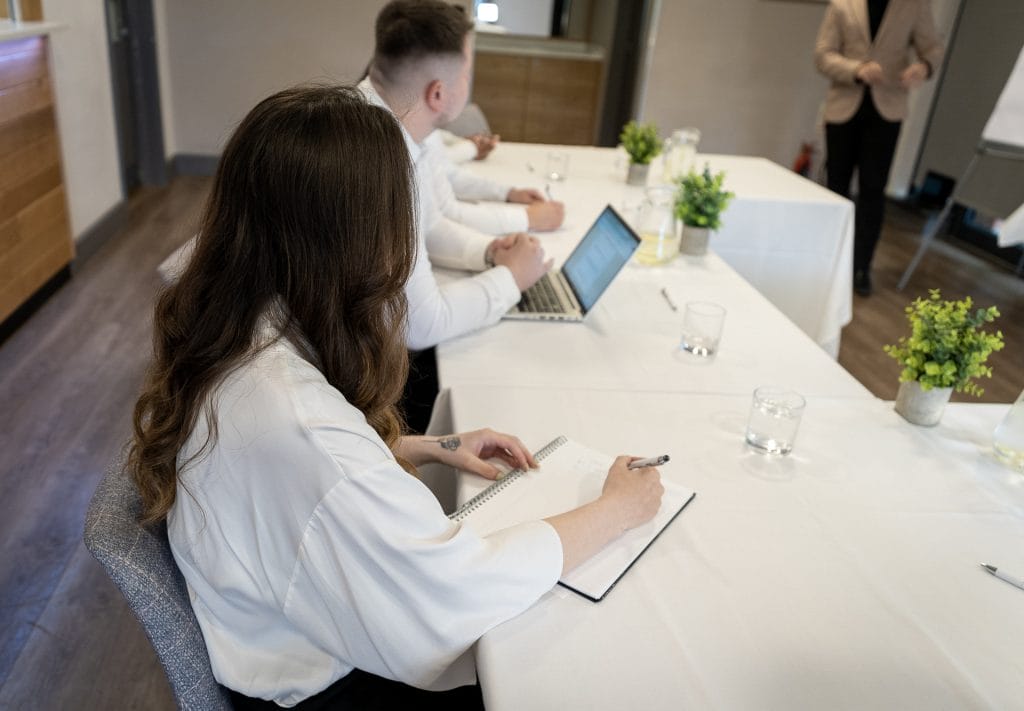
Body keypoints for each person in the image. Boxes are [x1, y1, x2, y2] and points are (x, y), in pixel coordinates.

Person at [128, 85, 664, 709]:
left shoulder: (237, 327)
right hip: (317, 680)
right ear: (354, 239)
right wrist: (617, 509)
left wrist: (428, 445)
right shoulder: (294, 421)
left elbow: (298, 473)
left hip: (279, 623)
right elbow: (452, 594)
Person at [814, 0, 943, 296]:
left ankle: (860, 267)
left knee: (873, 190)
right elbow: (822, 56)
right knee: (835, 187)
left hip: (888, 109)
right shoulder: (843, 3)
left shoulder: (913, 5)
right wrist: (857, 69)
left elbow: (933, 49)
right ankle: (825, 260)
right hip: (844, 106)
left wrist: (923, 67)